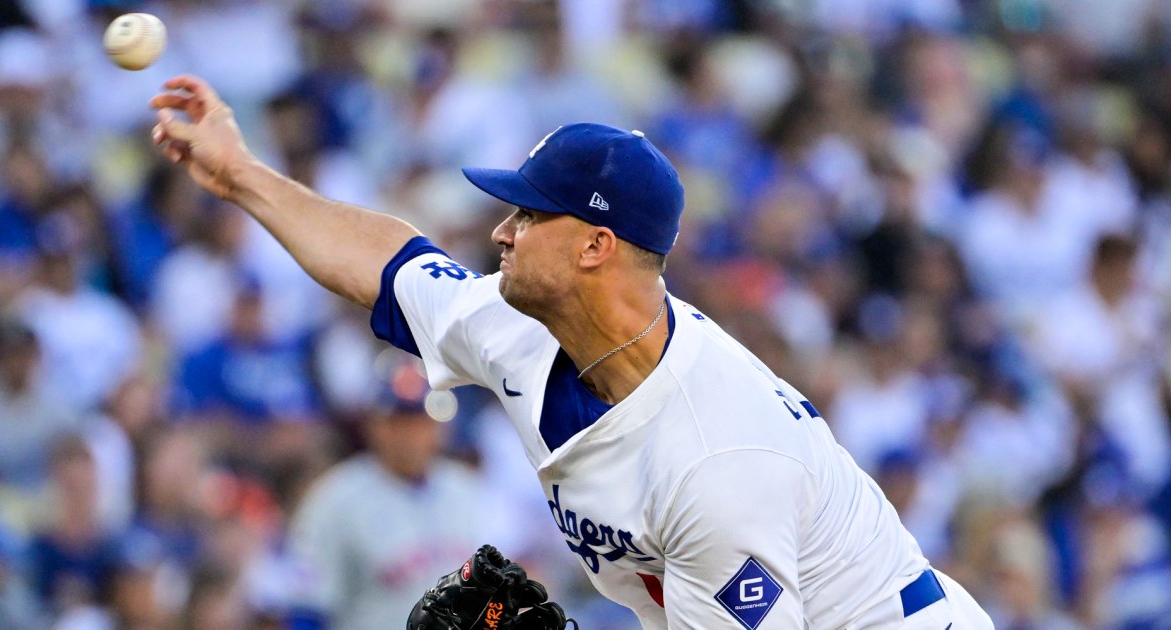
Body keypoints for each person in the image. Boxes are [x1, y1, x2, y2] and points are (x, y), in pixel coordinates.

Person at [150, 75, 993, 629]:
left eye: (526, 215)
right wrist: (243, 177)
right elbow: (391, 267)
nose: (499, 232)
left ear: (595, 247)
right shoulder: (521, 323)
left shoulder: (716, 459)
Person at [287, 356, 487, 629]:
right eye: (399, 421)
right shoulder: (334, 499)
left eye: (421, 421)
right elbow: (308, 609)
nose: (411, 435)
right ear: (373, 426)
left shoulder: (466, 489)